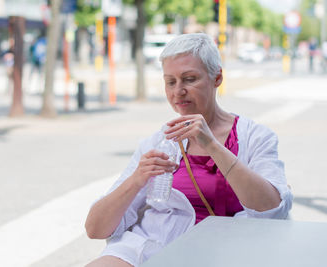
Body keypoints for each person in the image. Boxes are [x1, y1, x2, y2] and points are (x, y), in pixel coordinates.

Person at [85, 33, 293, 267]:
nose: (178, 91)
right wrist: (137, 179)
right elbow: (95, 228)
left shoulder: (255, 137)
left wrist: (212, 146)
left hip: (228, 252)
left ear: (217, 78)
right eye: (170, 82)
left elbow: (273, 208)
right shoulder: (158, 142)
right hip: (156, 247)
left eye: (189, 79)